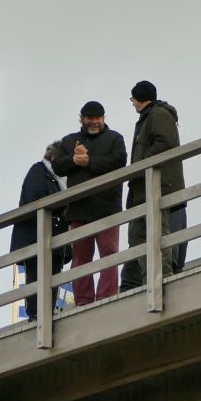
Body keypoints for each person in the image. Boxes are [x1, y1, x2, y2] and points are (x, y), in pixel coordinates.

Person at [53, 101, 127, 306]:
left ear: (104, 118)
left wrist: (89, 161)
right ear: (82, 119)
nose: (94, 121)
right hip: (79, 210)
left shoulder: (115, 138)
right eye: (90, 118)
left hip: (107, 208)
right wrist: (74, 160)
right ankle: (83, 301)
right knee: (80, 259)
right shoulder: (69, 140)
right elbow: (57, 165)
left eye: (98, 118)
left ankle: (107, 297)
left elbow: (119, 161)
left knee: (109, 254)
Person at [123, 80, 186, 288]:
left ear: (140, 98)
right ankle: (147, 278)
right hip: (144, 189)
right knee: (137, 236)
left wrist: (142, 164)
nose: (133, 104)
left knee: (157, 232)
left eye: (133, 99)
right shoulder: (148, 116)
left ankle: (161, 276)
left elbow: (165, 143)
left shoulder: (158, 114)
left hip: (157, 187)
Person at [10, 142, 67, 321]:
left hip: (55, 234)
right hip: (34, 235)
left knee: (53, 273)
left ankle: (48, 311)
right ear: (54, 157)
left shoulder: (61, 179)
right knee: (36, 273)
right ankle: (35, 314)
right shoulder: (38, 171)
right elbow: (36, 198)